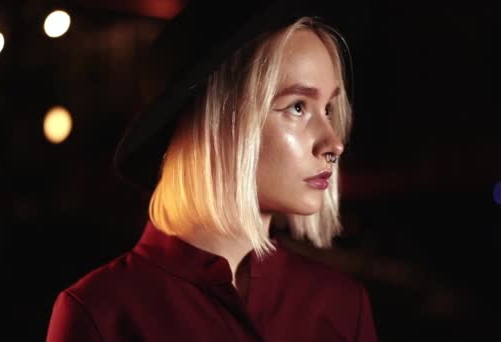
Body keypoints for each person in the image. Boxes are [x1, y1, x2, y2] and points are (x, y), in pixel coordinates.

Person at [46, 0, 377, 341]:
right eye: (297, 107)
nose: (333, 142)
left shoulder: (342, 306)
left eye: (328, 108)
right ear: (219, 121)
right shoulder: (101, 313)